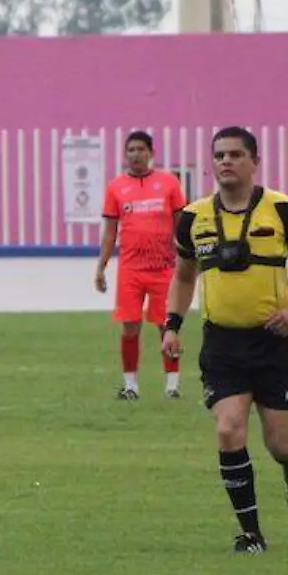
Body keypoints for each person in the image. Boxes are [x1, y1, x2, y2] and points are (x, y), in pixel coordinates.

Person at [162, 126, 288, 554]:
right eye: (219, 155)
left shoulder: (283, 210)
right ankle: (251, 533)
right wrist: (172, 325)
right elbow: (183, 277)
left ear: (255, 161)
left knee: (279, 444)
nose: (226, 162)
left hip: (273, 344)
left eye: (236, 154)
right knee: (228, 428)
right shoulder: (192, 217)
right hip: (222, 346)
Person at [95, 130, 189, 400]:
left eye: (140, 149)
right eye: (131, 150)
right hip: (130, 269)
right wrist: (101, 267)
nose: (136, 154)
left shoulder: (169, 183)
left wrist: (187, 257)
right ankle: (131, 386)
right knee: (129, 326)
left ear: (151, 153)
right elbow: (110, 232)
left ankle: (172, 387)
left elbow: (181, 225)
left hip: (163, 268)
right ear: (126, 155)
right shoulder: (116, 187)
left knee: (166, 326)